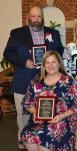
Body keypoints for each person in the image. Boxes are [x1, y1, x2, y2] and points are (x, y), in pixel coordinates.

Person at [3, 6, 64, 144]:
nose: (36, 20)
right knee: (23, 118)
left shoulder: (53, 33)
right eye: (33, 16)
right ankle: (24, 143)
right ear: (28, 18)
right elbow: (7, 53)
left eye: (39, 16)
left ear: (42, 17)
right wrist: (24, 62)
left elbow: (60, 50)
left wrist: (51, 62)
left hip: (48, 84)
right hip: (23, 83)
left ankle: (45, 143)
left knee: (47, 116)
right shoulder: (16, 33)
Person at [20, 51, 77, 151]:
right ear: (44, 65)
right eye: (47, 62)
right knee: (27, 136)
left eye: (54, 62)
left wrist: (61, 116)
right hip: (39, 120)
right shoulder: (36, 81)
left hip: (61, 120)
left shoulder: (68, 81)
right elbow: (27, 102)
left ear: (59, 63)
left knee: (44, 138)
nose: (50, 65)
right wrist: (36, 112)